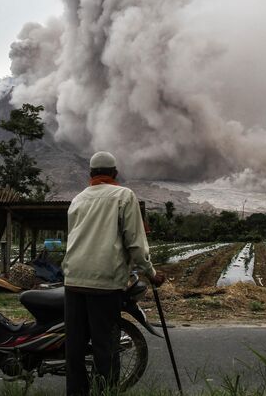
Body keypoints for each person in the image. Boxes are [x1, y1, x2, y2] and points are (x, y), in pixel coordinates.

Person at [62, 151, 165, 396]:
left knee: (74, 349)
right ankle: (105, 391)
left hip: (73, 280)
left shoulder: (78, 199)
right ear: (115, 174)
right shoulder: (124, 196)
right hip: (104, 283)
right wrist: (151, 273)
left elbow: (71, 239)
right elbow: (136, 243)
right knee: (105, 347)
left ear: (90, 174)